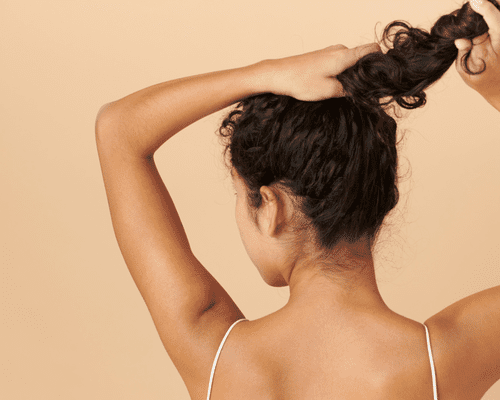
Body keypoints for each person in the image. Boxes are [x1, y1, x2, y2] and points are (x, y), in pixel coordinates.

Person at [95, 0, 500, 398]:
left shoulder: (214, 353)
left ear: (271, 208)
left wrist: (266, 74)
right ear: (378, 199)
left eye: (242, 197)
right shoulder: (441, 361)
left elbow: (119, 130)